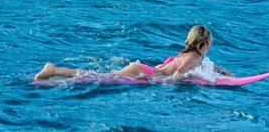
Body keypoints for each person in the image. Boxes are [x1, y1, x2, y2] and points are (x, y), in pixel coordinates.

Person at [34, 24, 234, 82]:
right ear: (208, 41)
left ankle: (56, 73)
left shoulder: (194, 55)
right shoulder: (193, 57)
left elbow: (203, 65)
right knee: (98, 77)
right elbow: (176, 76)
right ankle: (54, 70)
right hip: (142, 72)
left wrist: (222, 72)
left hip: (143, 69)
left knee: (101, 76)